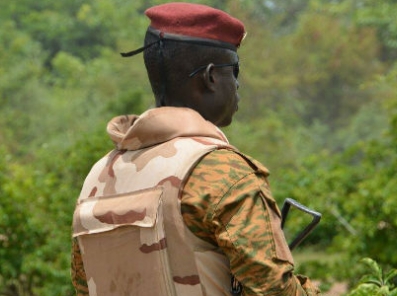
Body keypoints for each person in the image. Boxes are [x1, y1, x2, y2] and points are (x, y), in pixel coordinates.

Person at [71, 2, 320, 295]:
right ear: (211, 76)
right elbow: (274, 290)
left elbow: (82, 286)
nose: (238, 85)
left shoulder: (97, 179)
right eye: (235, 71)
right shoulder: (221, 172)